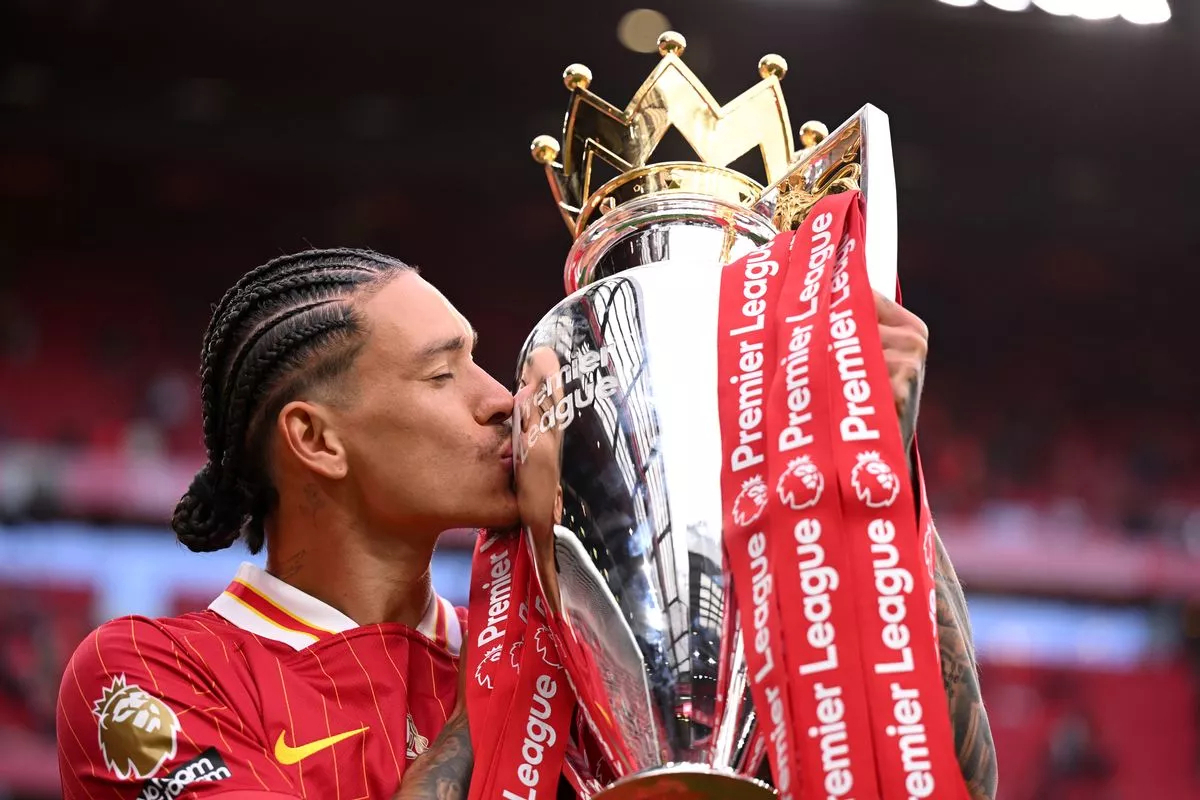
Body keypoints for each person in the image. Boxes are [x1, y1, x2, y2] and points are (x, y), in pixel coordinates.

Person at [56, 247, 996, 800]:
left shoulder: (584, 661)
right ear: (317, 440)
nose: (503, 401)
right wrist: (516, 662)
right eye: (443, 373)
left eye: (483, 362)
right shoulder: (146, 676)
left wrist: (868, 468)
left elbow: (942, 778)